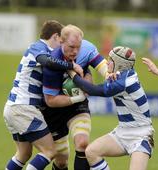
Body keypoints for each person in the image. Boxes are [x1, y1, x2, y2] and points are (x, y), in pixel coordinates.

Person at [3, 20, 83, 170]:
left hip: (13, 108)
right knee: (50, 151)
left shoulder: (42, 49)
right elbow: (46, 61)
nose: (61, 46)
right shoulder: (38, 47)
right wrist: (71, 66)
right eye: (61, 41)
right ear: (55, 36)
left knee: (23, 154)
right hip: (24, 108)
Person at [69, 46, 155, 170]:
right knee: (91, 152)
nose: (107, 63)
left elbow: (91, 90)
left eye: (110, 60)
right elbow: (112, 79)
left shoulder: (123, 83)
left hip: (141, 135)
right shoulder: (125, 74)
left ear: (119, 65)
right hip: (122, 132)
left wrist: (72, 74)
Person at [41, 24, 108, 170]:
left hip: (77, 108)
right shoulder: (52, 63)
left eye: (78, 47)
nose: (75, 51)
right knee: (61, 160)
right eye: (71, 47)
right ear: (61, 42)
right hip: (54, 111)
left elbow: (102, 66)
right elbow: (50, 101)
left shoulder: (87, 49)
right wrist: (78, 96)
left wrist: (110, 75)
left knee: (83, 143)